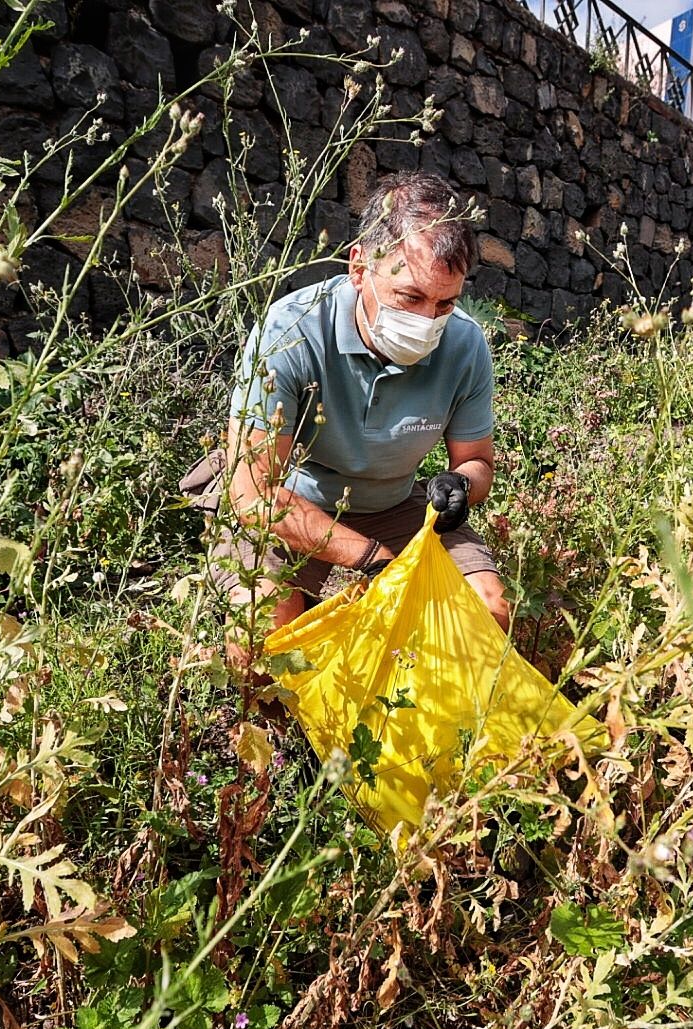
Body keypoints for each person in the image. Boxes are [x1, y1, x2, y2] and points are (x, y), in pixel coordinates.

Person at [214, 172, 506, 669]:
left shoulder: (463, 343)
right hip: (294, 502)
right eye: (410, 297)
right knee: (263, 620)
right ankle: (272, 731)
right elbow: (254, 493)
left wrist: (460, 485)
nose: (428, 320)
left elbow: (477, 462)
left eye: (446, 303)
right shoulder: (291, 331)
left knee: (488, 610)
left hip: (395, 502)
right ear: (358, 266)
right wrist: (373, 562)